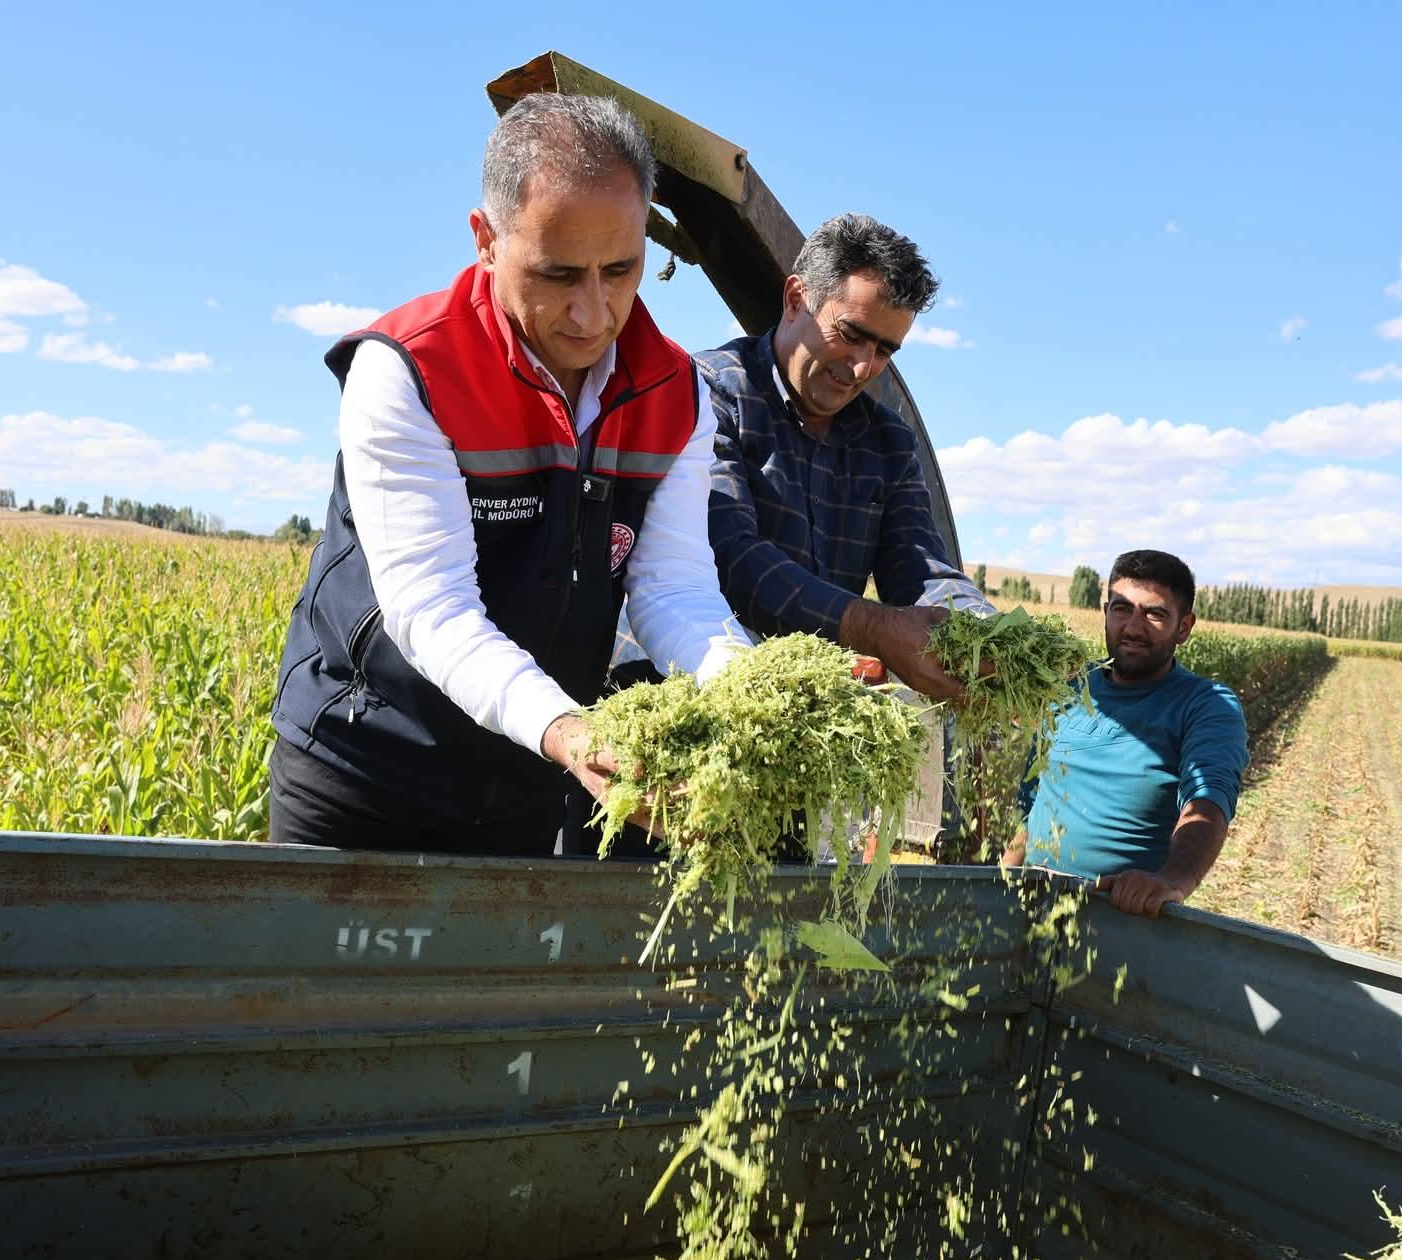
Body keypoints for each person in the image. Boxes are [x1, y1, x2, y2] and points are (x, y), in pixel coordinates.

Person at [268, 94, 748, 854]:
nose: (594, 313)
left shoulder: (676, 393)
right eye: (559, 274)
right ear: (486, 240)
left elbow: (673, 587)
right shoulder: (410, 370)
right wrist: (567, 730)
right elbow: (433, 605)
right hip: (367, 764)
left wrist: (752, 686)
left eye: (621, 269)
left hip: (525, 775)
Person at [699, 213, 990, 693]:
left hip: (807, 710)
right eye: (851, 334)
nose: (862, 368)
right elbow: (732, 557)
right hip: (689, 684)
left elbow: (918, 569)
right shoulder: (711, 392)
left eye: (885, 351)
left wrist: (988, 632)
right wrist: (872, 627)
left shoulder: (887, 442)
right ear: (796, 299)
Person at [1003, 550, 1249, 915]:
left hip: (1121, 920)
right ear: (1105, 612)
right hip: (1029, 904)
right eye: (1122, 609)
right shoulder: (1069, 688)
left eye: (1154, 613)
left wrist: (1173, 880)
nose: (1133, 628)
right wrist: (1007, 866)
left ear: (1184, 627)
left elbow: (1209, 801)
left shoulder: (1205, 705)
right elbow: (1035, 792)